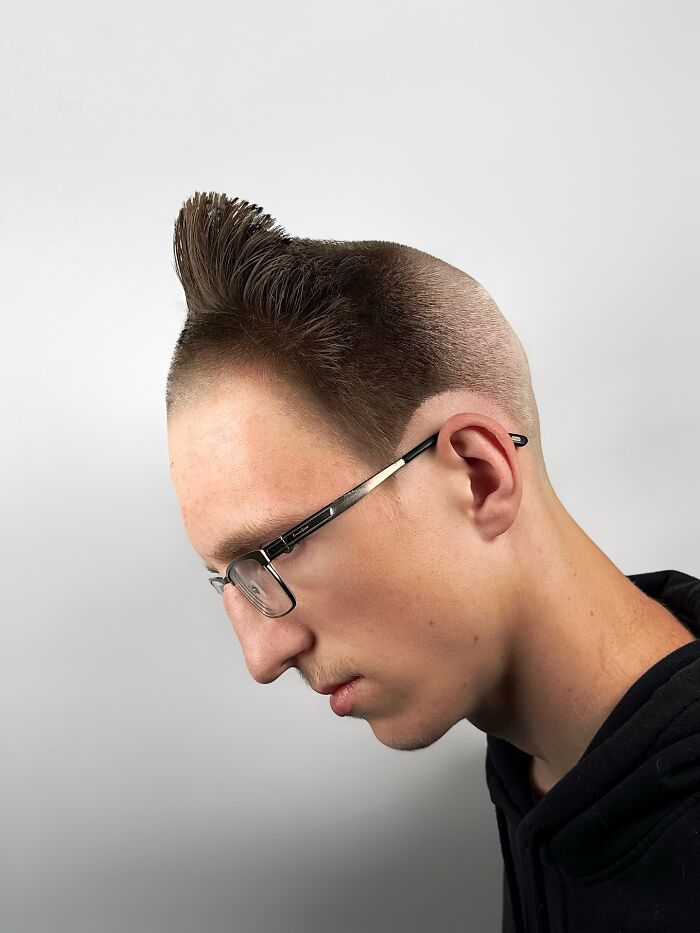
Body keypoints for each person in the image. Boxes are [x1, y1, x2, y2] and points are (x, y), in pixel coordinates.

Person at [166, 191, 700, 933]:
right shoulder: (536, 765)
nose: (262, 654)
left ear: (479, 475)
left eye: (275, 550)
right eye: (229, 578)